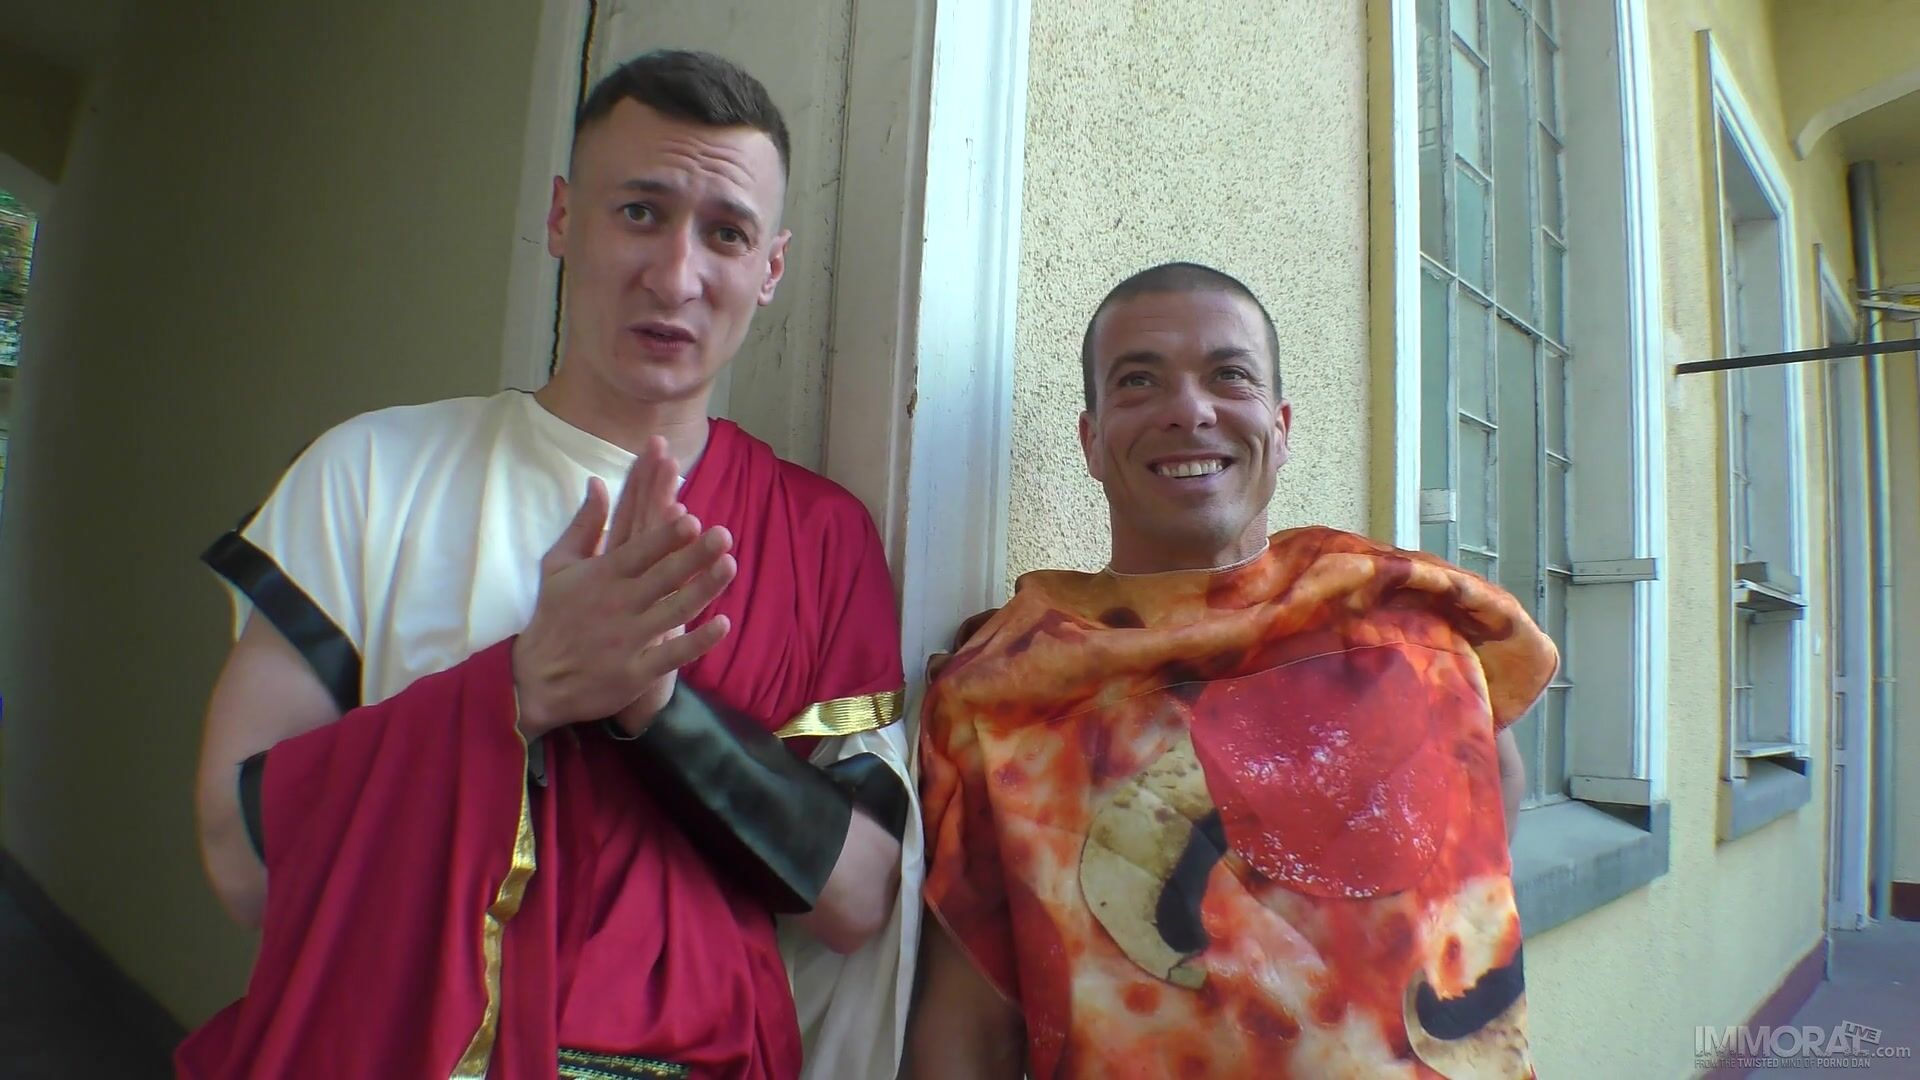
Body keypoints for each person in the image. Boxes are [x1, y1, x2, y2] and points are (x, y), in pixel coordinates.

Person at [178, 50, 916, 1080]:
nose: (676, 276)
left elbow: (859, 897)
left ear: (771, 267)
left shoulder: (818, 535)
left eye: (727, 233)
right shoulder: (372, 473)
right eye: (640, 212)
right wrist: (523, 687)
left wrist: (658, 708)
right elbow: (241, 860)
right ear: (565, 218)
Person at [907, 262, 1553, 1079]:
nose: (1189, 410)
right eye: (1138, 381)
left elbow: (1491, 790)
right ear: (1091, 441)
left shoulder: (1406, 623)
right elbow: (969, 1024)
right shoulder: (1009, 695)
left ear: (1279, 429)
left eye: (1229, 375)